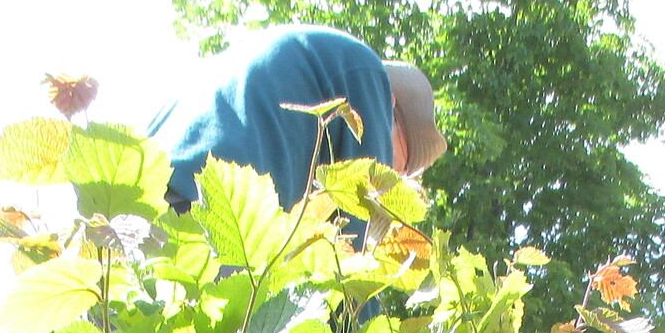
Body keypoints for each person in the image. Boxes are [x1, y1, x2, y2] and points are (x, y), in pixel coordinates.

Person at [149, 25, 446, 211]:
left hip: (148, 183)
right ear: (388, 106)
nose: (389, 181)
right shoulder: (367, 74)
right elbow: (355, 240)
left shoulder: (311, 59)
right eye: (398, 168)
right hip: (206, 202)